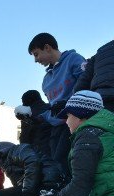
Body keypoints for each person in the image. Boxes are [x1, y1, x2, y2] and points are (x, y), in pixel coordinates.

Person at [28, 32, 86, 175]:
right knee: (55, 158)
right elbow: (52, 107)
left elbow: (86, 84)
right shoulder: (46, 81)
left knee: (66, 157)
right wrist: (38, 118)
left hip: (75, 120)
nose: (36, 60)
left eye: (36, 54)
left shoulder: (74, 60)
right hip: (57, 125)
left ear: (47, 47)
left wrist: (68, 103)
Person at [14, 90, 52, 158]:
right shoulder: (51, 107)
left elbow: (25, 138)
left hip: (38, 154)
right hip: (54, 150)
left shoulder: (28, 114)